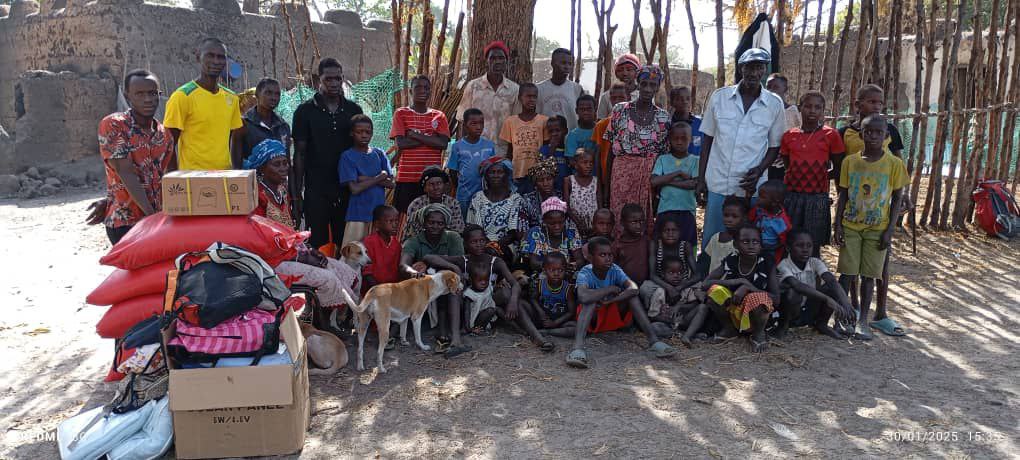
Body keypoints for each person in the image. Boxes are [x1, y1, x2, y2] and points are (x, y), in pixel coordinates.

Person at [245, 139, 359, 325]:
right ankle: (321, 325)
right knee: (327, 277)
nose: (283, 168)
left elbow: (289, 231)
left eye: (285, 163)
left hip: (289, 253)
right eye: (276, 164)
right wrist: (300, 257)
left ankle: (328, 320)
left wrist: (307, 250)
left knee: (343, 269)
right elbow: (260, 242)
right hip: (269, 263)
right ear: (261, 168)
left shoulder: (280, 190)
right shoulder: (256, 196)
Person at [697, 48, 787, 249]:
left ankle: (743, 279)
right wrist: (701, 179)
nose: (754, 73)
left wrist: (759, 171)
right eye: (749, 67)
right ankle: (707, 279)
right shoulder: (719, 97)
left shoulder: (774, 104)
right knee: (714, 240)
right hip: (718, 182)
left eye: (759, 68)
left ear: (764, 71)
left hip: (751, 187)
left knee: (748, 243)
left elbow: (774, 146)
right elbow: (707, 141)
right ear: (741, 69)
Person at [834, 115, 908, 340]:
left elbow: (897, 198)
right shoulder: (850, 162)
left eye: (879, 133)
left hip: (878, 228)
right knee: (846, 273)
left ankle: (862, 321)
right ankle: (842, 317)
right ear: (862, 134)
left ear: (886, 137)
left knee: (869, 275)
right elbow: (843, 194)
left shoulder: (894, 164)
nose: (873, 136)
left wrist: (890, 230)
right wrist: (836, 224)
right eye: (869, 132)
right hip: (850, 225)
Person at [424, 225, 555, 352]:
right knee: (454, 291)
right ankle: (456, 340)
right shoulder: (462, 260)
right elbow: (428, 257)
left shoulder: (495, 261)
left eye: (482, 241)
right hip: (467, 306)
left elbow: (514, 283)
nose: (479, 244)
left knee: (506, 293)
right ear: (466, 244)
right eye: (474, 242)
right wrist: (454, 268)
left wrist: (513, 301)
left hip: (487, 302)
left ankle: (537, 337)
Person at [566, 237, 678, 369]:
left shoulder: (614, 269)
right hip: (593, 319)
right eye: (602, 255)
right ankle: (577, 349)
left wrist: (612, 300)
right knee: (589, 301)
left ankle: (654, 342)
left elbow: (634, 288)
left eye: (610, 255)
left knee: (632, 297)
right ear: (590, 258)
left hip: (611, 314)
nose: (608, 258)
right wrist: (609, 289)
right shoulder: (585, 273)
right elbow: (583, 296)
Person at [96, 69, 174, 245]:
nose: (147, 99)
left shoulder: (165, 135)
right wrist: (152, 217)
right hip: (126, 222)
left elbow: (165, 178)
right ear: (128, 95)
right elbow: (125, 172)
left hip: (157, 221)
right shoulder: (115, 125)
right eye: (140, 94)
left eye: (152, 93)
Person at [293, 58, 364, 248]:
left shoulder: (353, 110)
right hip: (316, 189)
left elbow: (360, 149)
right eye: (328, 79)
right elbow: (299, 154)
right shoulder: (304, 111)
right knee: (317, 243)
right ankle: (322, 279)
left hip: (347, 188)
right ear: (319, 80)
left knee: (347, 244)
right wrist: (297, 193)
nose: (333, 83)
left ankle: (347, 278)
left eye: (338, 79)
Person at [604, 64, 671, 234]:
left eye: (653, 85)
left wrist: (658, 191)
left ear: (658, 87)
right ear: (638, 84)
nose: (648, 89)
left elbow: (663, 157)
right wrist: (606, 186)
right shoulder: (620, 110)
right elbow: (610, 151)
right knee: (619, 218)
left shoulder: (663, 117)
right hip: (621, 176)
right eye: (644, 84)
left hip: (647, 177)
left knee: (642, 222)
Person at [780, 91, 846, 257]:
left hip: (817, 198)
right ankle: (789, 280)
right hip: (792, 197)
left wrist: (820, 176)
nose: (812, 110)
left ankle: (813, 280)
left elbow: (839, 167)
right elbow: (789, 166)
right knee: (790, 240)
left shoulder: (831, 135)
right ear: (800, 108)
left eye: (818, 107)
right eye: (808, 106)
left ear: (823, 110)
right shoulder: (789, 136)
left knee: (812, 244)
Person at [163, 37, 243, 170]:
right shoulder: (182, 96)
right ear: (198, 57)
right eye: (210, 56)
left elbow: (234, 138)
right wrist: (174, 182)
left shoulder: (232, 98)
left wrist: (235, 171)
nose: (216, 61)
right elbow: (169, 145)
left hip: (224, 177)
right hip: (193, 179)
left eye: (221, 57)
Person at [401, 204, 469, 355]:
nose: (435, 226)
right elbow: (403, 265)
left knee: (453, 288)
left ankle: (456, 340)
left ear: (445, 225)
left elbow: (460, 262)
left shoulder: (453, 237)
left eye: (440, 223)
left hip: (449, 282)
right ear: (424, 222)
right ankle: (441, 332)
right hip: (425, 286)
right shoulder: (414, 241)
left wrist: (432, 261)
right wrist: (413, 271)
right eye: (431, 222)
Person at [704, 224, 779, 353]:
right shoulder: (731, 259)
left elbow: (776, 299)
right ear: (735, 245)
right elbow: (706, 283)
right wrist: (739, 281)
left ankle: (758, 334)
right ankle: (729, 329)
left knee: (758, 298)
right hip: (734, 310)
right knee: (715, 291)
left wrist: (748, 287)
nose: (751, 245)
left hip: (757, 316)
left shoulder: (767, 262)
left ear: (760, 245)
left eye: (755, 242)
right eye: (745, 241)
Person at [776, 229, 855, 340]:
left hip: (808, 308)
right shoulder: (783, 265)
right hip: (790, 311)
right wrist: (827, 299)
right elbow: (798, 286)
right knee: (793, 293)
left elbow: (831, 280)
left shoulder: (814, 262)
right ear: (788, 248)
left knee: (830, 287)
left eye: (809, 246)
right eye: (800, 245)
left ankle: (821, 324)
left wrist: (845, 303)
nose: (805, 250)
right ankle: (783, 327)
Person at [390, 75, 451, 217]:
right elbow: (401, 144)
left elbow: (442, 144)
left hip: (432, 181)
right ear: (411, 91)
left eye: (426, 88)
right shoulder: (401, 113)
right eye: (418, 87)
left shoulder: (439, 116)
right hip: (407, 179)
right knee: (404, 221)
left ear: (430, 91)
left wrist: (415, 135)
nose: (422, 90)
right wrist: (431, 138)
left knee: (431, 220)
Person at [456, 41, 520, 155]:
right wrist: (460, 150)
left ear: (506, 61)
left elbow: (515, 126)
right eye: (493, 58)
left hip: (502, 152)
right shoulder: (473, 86)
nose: (497, 62)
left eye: (501, 58)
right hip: (475, 151)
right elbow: (462, 121)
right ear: (487, 61)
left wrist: (510, 155)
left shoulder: (514, 89)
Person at [338, 115, 394, 245]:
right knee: (353, 254)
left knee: (374, 254)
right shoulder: (347, 156)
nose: (364, 135)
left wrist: (364, 178)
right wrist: (380, 177)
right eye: (359, 132)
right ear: (352, 133)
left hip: (378, 216)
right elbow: (355, 189)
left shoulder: (379, 154)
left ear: (372, 133)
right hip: (357, 214)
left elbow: (391, 184)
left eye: (367, 132)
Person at [641, 215, 702, 326]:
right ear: (660, 232)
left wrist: (679, 287)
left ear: (680, 232)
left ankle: (680, 313)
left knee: (698, 289)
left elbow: (697, 275)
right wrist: (669, 287)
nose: (670, 233)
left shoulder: (685, 246)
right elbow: (652, 275)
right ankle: (655, 315)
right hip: (661, 282)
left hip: (682, 282)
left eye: (674, 230)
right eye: (666, 230)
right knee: (645, 288)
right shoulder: (655, 245)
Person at [466, 157, 528, 264]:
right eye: (492, 172)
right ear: (486, 177)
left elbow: (512, 234)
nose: (496, 175)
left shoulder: (516, 199)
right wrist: (485, 245)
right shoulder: (477, 198)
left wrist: (495, 246)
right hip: (479, 243)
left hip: (505, 245)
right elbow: (473, 227)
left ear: (506, 175)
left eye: (500, 172)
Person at [651, 121, 700, 248]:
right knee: (663, 248)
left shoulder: (695, 160)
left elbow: (694, 183)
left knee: (687, 247)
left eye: (684, 138)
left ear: (690, 139)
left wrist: (667, 181)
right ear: (670, 140)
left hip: (687, 211)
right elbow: (654, 181)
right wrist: (677, 173)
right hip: (665, 210)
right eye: (675, 138)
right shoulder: (663, 159)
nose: (679, 142)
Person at [447, 108, 496, 217]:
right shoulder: (457, 146)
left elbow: (493, 169)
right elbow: (453, 172)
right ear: (465, 125)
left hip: (485, 196)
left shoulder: (489, 145)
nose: (478, 127)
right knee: (464, 224)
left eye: (481, 123)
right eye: (473, 123)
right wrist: (461, 186)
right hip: (464, 196)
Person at [501, 83, 548, 193]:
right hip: (517, 173)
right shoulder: (510, 121)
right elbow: (510, 150)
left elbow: (546, 147)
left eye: (534, 97)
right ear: (520, 98)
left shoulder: (544, 121)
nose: (531, 100)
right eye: (528, 96)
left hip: (538, 175)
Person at [653, 256, 709, 347]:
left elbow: (694, 304)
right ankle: (687, 335)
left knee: (702, 307)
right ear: (663, 274)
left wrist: (679, 307)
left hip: (685, 320)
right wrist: (668, 319)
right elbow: (653, 316)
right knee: (654, 327)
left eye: (680, 272)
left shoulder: (686, 287)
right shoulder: (660, 291)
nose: (676, 276)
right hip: (669, 324)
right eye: (671, 272)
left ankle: (687, 336)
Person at [521, 196, 585, 273]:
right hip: (542, 275)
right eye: (552, 223)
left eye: (560, 222)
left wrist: (569, 266)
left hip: (566, 273)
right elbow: (534, 263)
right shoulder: (536, 233)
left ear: (565, 220)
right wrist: (555, 267)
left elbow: (580, 260)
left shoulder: (571, 233)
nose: (557, 227)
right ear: (544, 221)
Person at [236, 78, 291, 164]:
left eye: (277, 94)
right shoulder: (243, 124)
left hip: (280, 177)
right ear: (257, 95)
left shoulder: (283, 126)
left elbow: (287, 163)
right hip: (253, 177)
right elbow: (236, 166)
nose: (273, 98)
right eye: (268, 93)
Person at [591, 83, 630, 203]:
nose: (617, 101)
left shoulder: (633, 124)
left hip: (627, 178)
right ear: (610, 100)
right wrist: (601, 187)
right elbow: (598, 156)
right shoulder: (601, 125)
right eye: (614, 98)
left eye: (621, 98)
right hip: (606, 179)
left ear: (628, 98)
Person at [403, 167, 465, 241]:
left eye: (439, 183)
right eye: (431, 184)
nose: (436, 187)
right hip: (422, 243)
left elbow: (457, 230)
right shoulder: (416, 204)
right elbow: (412, 231)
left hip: (446, 242)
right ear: (425, 188)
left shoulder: (453, 203)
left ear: (444, 186)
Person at [524, 251, 577, 338]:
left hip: (559, 321)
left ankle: (547, 332)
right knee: (522, 305)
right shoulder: (541, 284)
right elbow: (533, 299)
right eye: (552, 270)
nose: (556, 274)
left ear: (565, 270)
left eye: (561, 270)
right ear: (544, 270)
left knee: (576, 328)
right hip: (542, 319)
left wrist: (555, 323)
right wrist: (541, 313)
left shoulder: (568, 288)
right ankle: (534, 329)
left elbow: (571, 312)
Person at [537, 48, 586, 130]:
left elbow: (583, 115)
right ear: (552, 63)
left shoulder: (577, 89)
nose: (567, 67)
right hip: (546, 139)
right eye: (563, 63)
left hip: (570, 139)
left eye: (570, 64)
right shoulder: (539, 89)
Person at [700, 195, 748, 275]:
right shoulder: (715, 238)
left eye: (734, 216)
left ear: (744, 218)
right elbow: (705, 263)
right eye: (726, 215)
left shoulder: (743, 242)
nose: (729, 219)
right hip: (712, 284)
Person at [748, 180, 792, 263]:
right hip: (754, 246)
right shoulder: (759, 209)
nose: (758, 199)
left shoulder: (782, 222)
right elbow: (749, 220)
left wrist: (770, 248)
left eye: (762, 197)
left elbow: (784, 242)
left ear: (775, 202)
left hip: (770, 252)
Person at [362, 205, 403, 292]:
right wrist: (379, 290)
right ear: (377, 224)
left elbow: (398, 270)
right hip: (373, 291)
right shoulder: (369, 242)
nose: (395, 225)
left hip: (391, 290)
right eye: (390, 221)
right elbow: (366, 272)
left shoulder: (397, 244)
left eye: (396, 221)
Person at [612, 204, 651, 295]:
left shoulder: (646, 241)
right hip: (625, 288)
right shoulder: (617, 246)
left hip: (645, 287)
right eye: (634, 222)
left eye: (641, 222)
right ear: (622, 222)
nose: (638, 226)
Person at [520, 157, 566, 230]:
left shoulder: (562, 197)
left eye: (549, 179)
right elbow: (522, 228)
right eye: (541, 180)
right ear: (535, 183)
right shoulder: (527, 200)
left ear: (554, 179)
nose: (545, 184)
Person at [563, 148, 600, 236]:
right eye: (585, 162)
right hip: (574, 224)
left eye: (591, 163)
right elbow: (566, 206)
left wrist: (597, 224)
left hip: (592, 225)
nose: (588, 166)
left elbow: (600, 204)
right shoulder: (568, 181)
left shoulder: (596, 181)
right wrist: (578, 223)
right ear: (575, 165)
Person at [596, 53, 641, 118]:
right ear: (616, 74)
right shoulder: (606, 96)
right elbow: (600, 122)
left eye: (629, 69)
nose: (625, 73)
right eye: (620, 70)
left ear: (637, 73)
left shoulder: (643, 96)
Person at [668, 86, 704, 156]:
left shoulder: (699, 124)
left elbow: (702, 148)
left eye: (688, 99)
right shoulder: (668, 124)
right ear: (672, 102)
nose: (685, 102)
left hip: (695, 165)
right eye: (680, 99)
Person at [538, 115, 571, 192]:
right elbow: (543, 171)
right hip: (550, 192)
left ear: (565, 131)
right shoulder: (543, 150)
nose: (554, 134)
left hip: (566, 191)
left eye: (557, 130)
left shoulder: (569, 149)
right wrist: (552, 150)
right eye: (551, 131)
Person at [566, 94, 599, 159]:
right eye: (582, 109)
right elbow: (571, 160)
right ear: (576, 111)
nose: (586, 112)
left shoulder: (601, 131)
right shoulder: (572, 135)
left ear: (595, 110)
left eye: (589, 109)